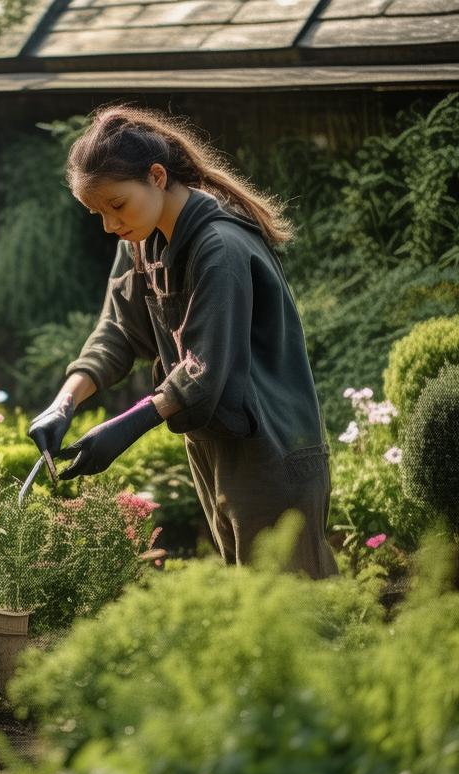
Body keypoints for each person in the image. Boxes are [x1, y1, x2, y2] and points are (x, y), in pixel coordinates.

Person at [28, 105, 337, 579]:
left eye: (116, 205)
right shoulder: (140, 241)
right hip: (214, 447)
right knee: (255, 617)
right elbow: (116, 333)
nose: (110, 224)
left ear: (156, 176)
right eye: (97, 213)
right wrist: (63, 404)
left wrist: (123, 428)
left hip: (272, 452)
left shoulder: (221, 248)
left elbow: (203, 370)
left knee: (300, 620)